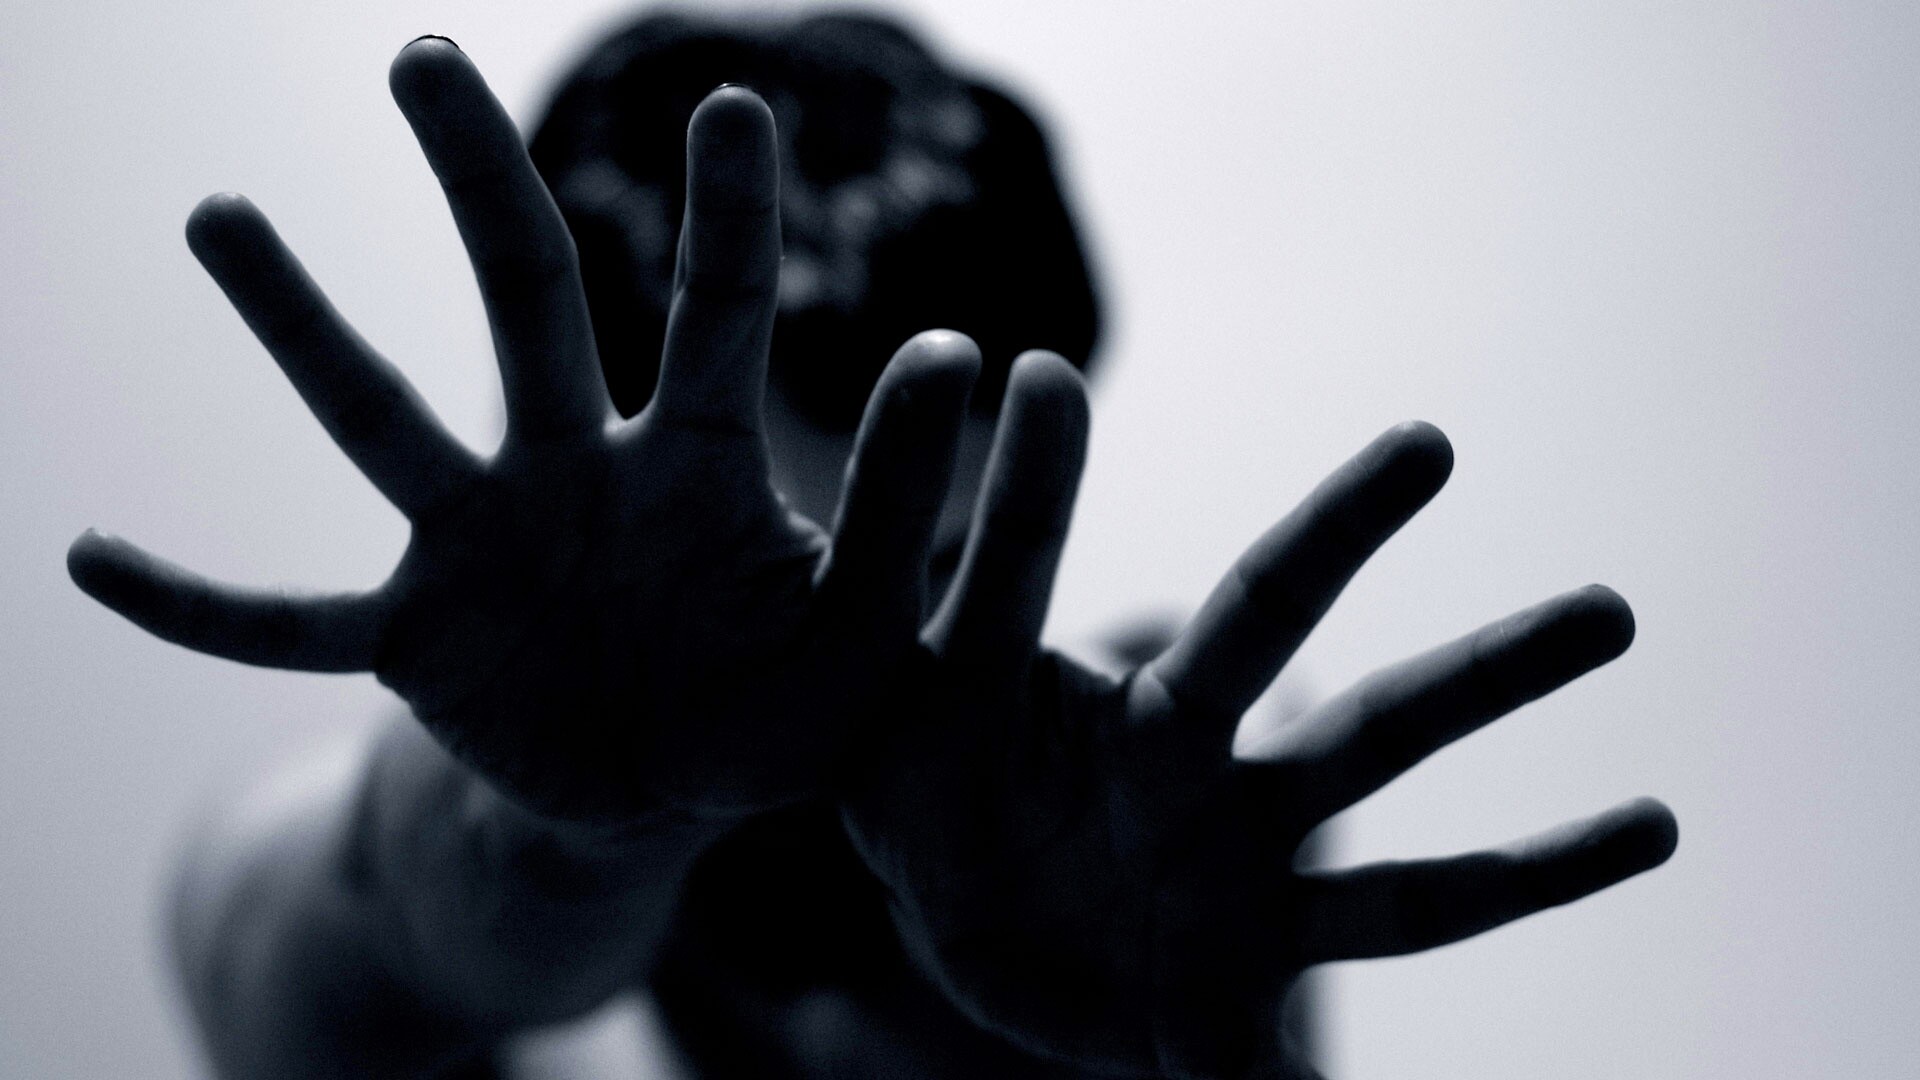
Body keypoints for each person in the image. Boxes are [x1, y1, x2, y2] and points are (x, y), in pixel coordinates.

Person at [66, 28, 1678, 1080]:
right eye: (786, 587)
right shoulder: (401, 855)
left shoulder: (1141, 816)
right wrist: (554, 834)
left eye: (942, 553)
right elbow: (307, 982)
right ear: (569, 470)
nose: (860, 665)